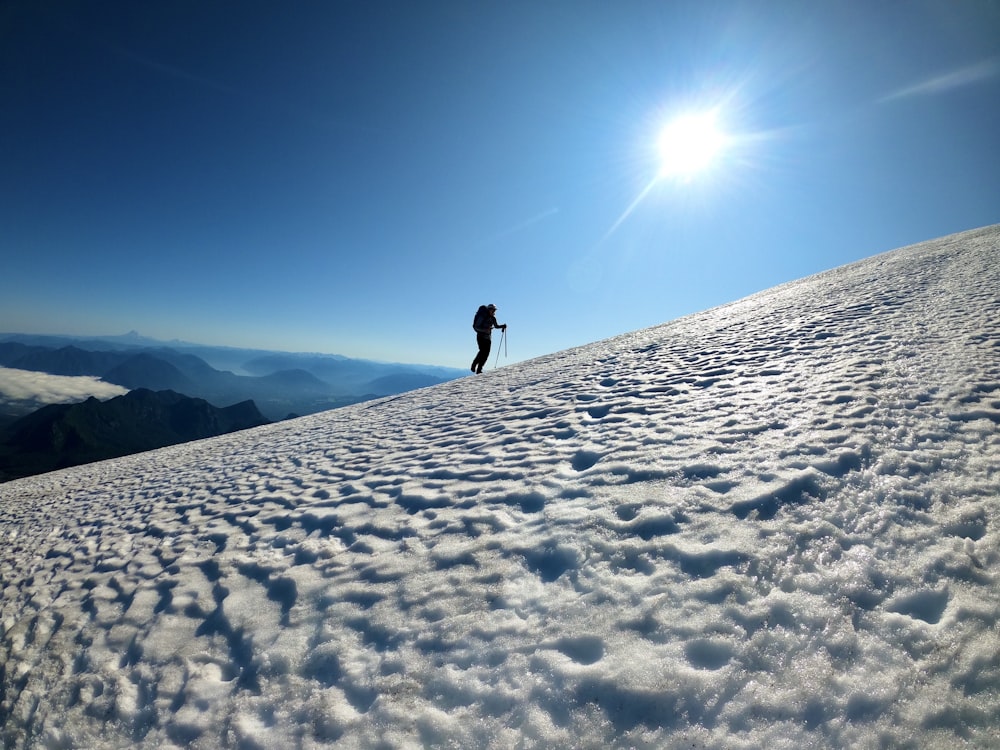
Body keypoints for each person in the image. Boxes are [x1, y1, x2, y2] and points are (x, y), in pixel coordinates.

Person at [471, 303, 506, 374]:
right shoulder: (482, 316)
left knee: (486, 353)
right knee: (482, 352)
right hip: (481, 336)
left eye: (494, 310)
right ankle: (474, 365)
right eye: (492, 310)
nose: (493, 312)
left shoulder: (493, 318)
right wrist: (485, 330)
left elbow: (496, 326)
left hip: (487, 337)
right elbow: (475, 327)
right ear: (489, 309)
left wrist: (502, 326)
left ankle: (479, 369)